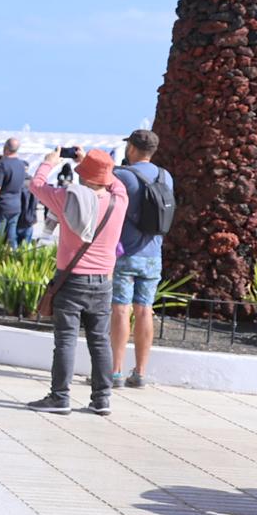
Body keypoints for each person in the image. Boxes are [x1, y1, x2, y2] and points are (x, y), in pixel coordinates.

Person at [28, 149, 128, 416]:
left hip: (71, 281)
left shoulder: (67, 197)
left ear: (83, 175)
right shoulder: (119, 200)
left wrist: (49, 162)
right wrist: (88, 162)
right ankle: (102, 399)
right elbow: (115, 183)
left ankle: (60, 397)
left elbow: (36, 185)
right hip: (103, 282)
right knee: (100, 341)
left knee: (65, 341)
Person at [110, 129, 172, 389]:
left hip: (125, 253)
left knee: (121, 308)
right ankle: (140, 372)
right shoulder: (165, 176)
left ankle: (115, 372)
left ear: (133, 148)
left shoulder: (122, 175)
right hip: (153, 254)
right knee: (145, 309)